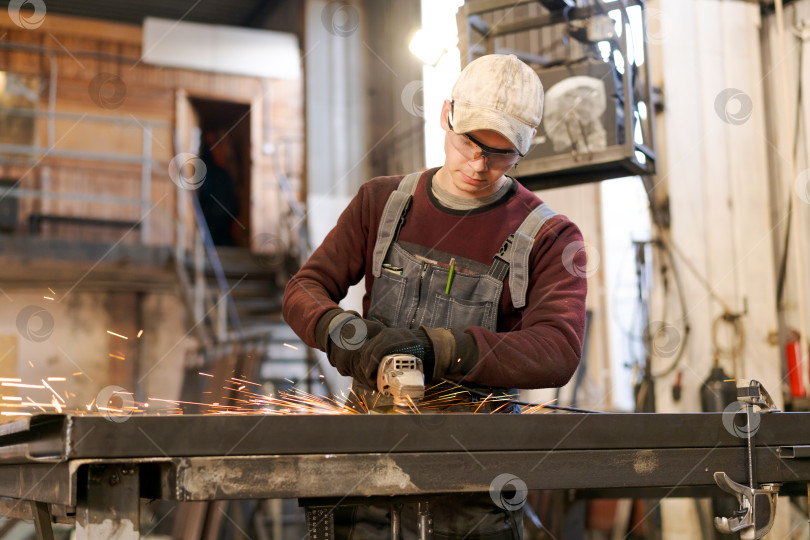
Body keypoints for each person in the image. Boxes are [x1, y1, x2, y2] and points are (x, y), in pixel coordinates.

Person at [283, 54, 587, 540]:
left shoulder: (549, 235)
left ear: (525, 149)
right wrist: (350, 335)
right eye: (469, 141)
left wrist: (437, 347)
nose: (480, 164)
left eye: (502, 152)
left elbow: (558, 348)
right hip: (368, 468)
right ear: (446, 113)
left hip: (472, 486)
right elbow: (304, 289)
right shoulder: (382, 203)